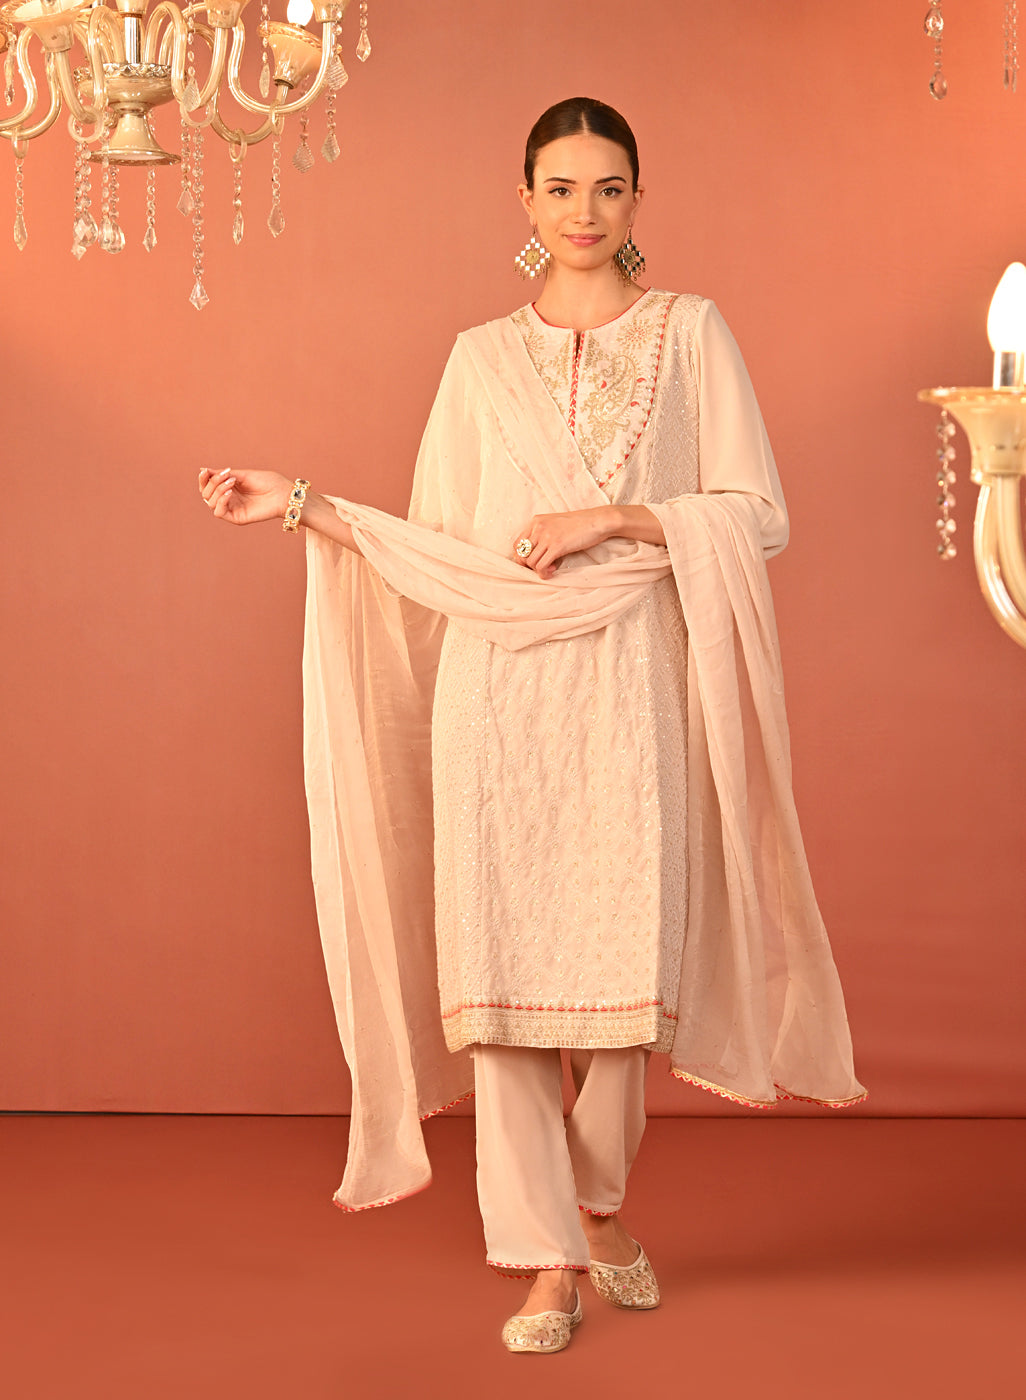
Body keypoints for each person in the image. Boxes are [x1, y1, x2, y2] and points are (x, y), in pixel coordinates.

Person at [199, 97, 866, 1355]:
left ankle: (597, 1201)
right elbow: (437, 546)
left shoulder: (691, 332)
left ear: (638, 199)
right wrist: (301, 503)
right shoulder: (478, 359)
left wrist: (611, 518)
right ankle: (547, 1253)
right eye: (560, 188)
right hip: (497, 694)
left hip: (633, 683)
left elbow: (756, 512)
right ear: (526, 201)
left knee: (626, 976)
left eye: (608, 187)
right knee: (500, 982)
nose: (584, 211)